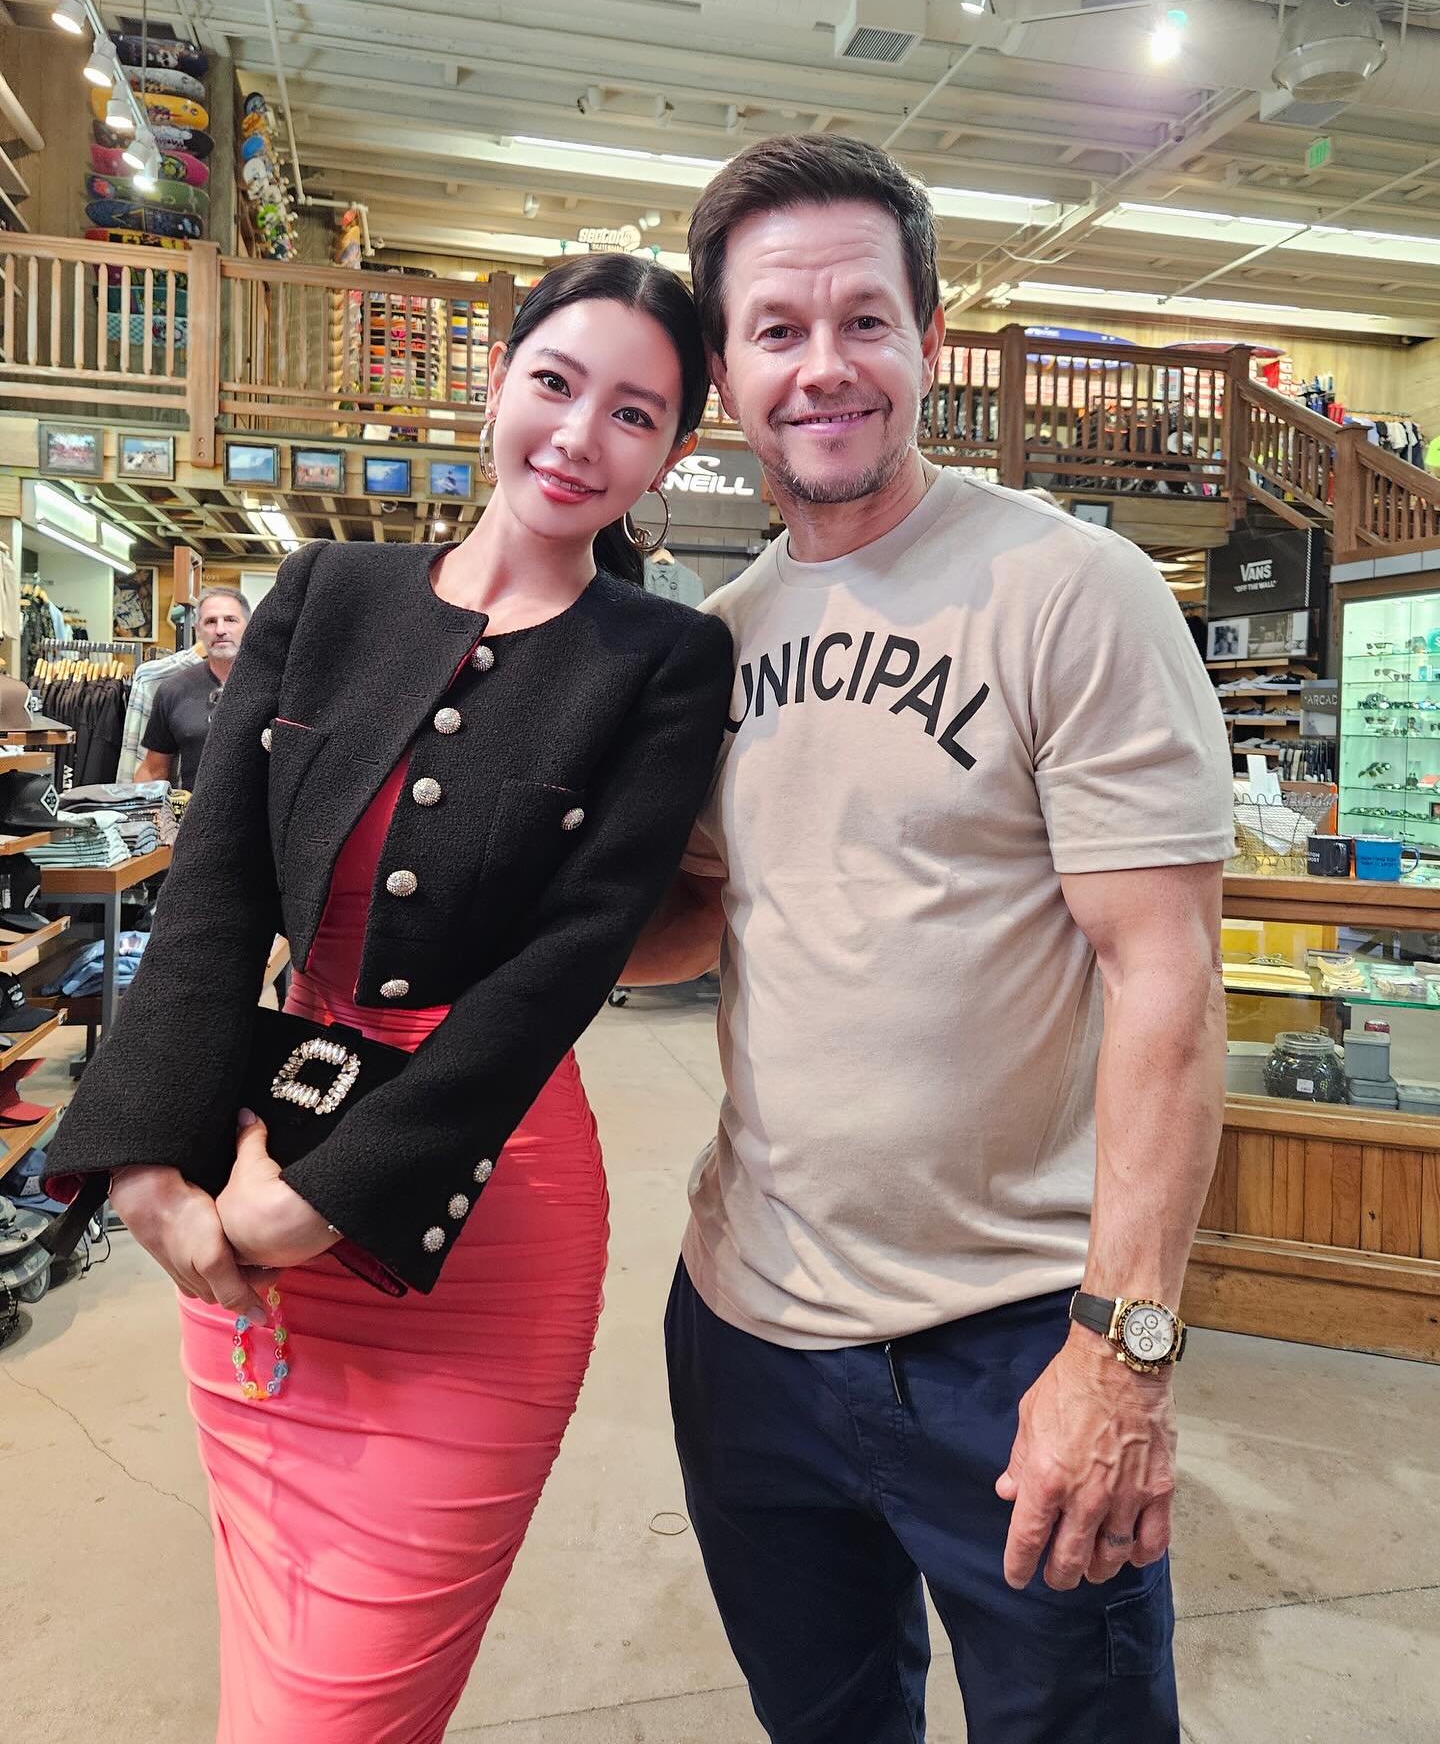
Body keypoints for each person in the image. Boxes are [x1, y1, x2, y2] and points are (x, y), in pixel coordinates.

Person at [43, 253, 734, 1744]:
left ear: (672, 454)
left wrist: (338, 1191)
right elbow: (218, 884)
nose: (579, 434)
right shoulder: (328, 592)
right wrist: (144, 1150)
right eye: (555, 381)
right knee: (268, 1678)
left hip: (479, 1215)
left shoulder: (667, 659)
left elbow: (569, 962)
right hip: (247, 1197)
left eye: (634, 412)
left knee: (341, 1709)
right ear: (495, 383)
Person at [625, 134, 1233, 1742]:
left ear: (930, 340)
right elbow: (700, 919)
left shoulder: (1070, 588)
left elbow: (1166, 975)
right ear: (724, 370)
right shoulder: (715, 640)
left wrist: (1124, 1353)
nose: (823, 365)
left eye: (864, 321)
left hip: (1019, 1341)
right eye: (777, 329)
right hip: (747, 1328)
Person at [137, 586, 251, 791]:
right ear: (198, 630)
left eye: (230, 620)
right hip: (195, 809)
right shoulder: (173, 690)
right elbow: (154, 770)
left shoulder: (276, 689)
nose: (220, 630)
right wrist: (132, 807)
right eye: (210, 621)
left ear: (249, 626)